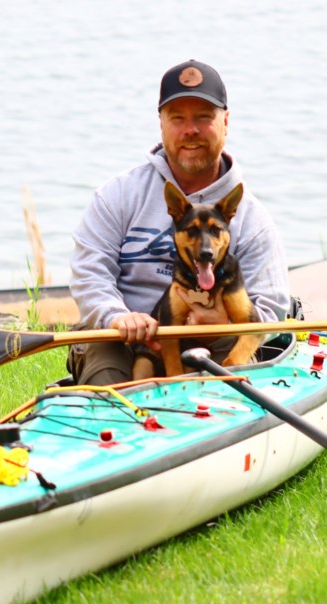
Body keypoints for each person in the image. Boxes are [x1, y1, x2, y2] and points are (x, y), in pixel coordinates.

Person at [67, 60, 290, 385]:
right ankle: (110, 417)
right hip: (122, 340)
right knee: (107, 374)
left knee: (225, 382)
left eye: (204, 117)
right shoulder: (118, 195)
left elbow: (270, 309)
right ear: (161, 123)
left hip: (217, 342)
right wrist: (117, 317)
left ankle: (211, 415)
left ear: (226, 122)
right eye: (178, 118)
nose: (191, 130)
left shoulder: (253, 220)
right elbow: (90, 276)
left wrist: (220, 327)